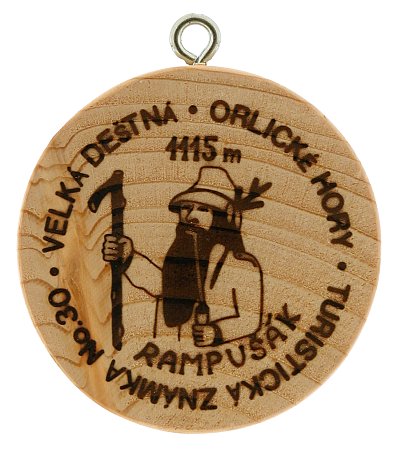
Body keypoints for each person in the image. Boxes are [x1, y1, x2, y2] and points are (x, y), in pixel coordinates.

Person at [102, 166, 268, 347]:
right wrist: (128, 256)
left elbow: (250, 319)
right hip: (169, 351)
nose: (191, 217)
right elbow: (161, 284)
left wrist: (217, 332)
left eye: (203, 209)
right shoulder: (182, 255)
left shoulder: (242, 265)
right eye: (186, 207)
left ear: (221, 219)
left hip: (220, 356)